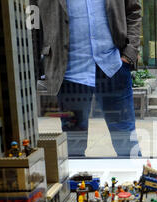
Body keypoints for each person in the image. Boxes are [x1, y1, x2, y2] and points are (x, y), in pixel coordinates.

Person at [36, 0, 142, 157]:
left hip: (113, 67)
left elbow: (133, 11)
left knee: (126, 141)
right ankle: (75, 182)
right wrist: (38, 68)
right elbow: (33, 24)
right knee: (73, 145)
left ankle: (135, 179)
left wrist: (129, 53)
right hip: (70, 73)